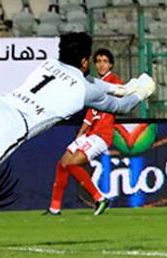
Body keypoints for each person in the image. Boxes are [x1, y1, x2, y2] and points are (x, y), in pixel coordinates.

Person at [0, 33, 156, 203]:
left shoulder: (48, 64)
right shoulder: (85, 89)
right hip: (11, 124)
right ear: (85, 61)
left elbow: (112, 87)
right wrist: (142, 92)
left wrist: (127, 87)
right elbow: (120, 105)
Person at [46, 48, 122, 216]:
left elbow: (119, 100)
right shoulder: (95, 83)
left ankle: (100, 198)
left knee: (73, 164)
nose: (101, 64)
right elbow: (90, 114)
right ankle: (54, 208)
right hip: (89, 133)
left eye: (105, 61)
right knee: (63, 163)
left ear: (111, 64)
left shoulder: (114, 83)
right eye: (98, 61)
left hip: (102, 135)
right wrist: (81, 133)